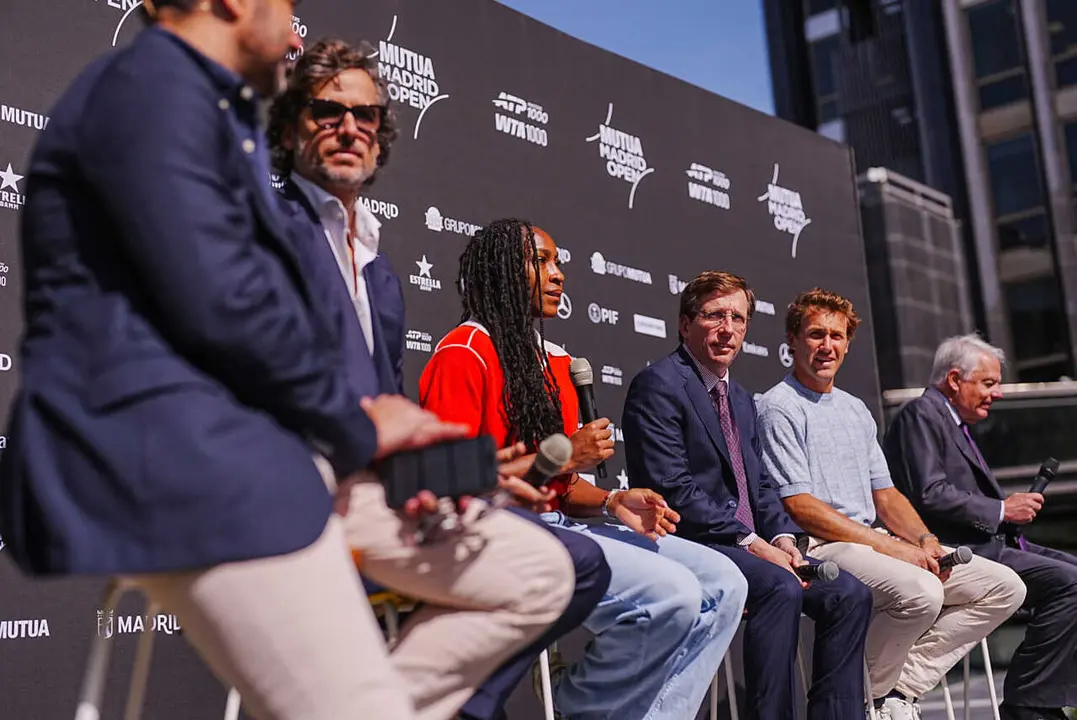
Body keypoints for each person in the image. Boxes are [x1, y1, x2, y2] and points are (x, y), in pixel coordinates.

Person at [0, 4, 575, 720]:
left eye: (365, 115)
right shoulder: (156, 91)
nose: (296, 32)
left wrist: (397, 457)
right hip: (182, 464)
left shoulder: (203, 107)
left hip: (266, 458)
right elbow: (223, 309)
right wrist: (366, 431)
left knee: (538, 572)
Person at [267, 39, 610, 720]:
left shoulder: (378, 272)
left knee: (571, 568)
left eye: (366, 117)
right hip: (289, 490)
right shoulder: (267, 233)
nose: (348, 128)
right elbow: (275, 393)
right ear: (286, 127)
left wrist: (471, 472)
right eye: (326, 111)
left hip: (378, 495)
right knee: (561, 563)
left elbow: (391, 415)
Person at [419, 219, 749, 720]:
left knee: (726, 583)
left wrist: (614, 501)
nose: (558, 275)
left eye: (558, 263)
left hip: (561, 525)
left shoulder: (554, 360)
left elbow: (565, 490)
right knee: (673, 596)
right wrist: (564, 453)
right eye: (541, 261)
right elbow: (450, 482)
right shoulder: (464, 352)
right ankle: (579, 705)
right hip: (495, 534)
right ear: (504, 269)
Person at [755, 288, 1026, 720]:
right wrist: (892, 547)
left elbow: (886, 494)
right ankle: (862, 698)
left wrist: (924, 540)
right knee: (920, 591)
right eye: (815, 334)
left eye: (837, 336)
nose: (827, 346)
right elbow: (799, 505)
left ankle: (895, 690)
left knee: (1003, 587)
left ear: (848, 342)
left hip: (872, 541)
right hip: (820, 546)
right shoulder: (777, 407)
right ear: (792, 341)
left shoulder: (855, 409)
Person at [622, 271, 874, 720]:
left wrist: (782, 541)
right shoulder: (659, 385)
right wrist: (753, 544)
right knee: (779, 589)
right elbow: (673, 488)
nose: (728, 329)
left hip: (750, 545)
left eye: (738, 319)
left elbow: (758, 485)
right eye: (715, 316)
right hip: (691, 541)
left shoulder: (738, 397)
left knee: (848, 594)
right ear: (685, 325)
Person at [884, 334, 1077, 720]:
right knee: (1069, 583)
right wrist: (1002, 509)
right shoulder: (922, 413)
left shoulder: (952, 422)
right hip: (962, 550)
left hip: (993, 545)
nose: (998, 393)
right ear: (955, 379)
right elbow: (929, 492)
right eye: (989, 383)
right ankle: (1030, 701)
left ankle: (1039, 696)